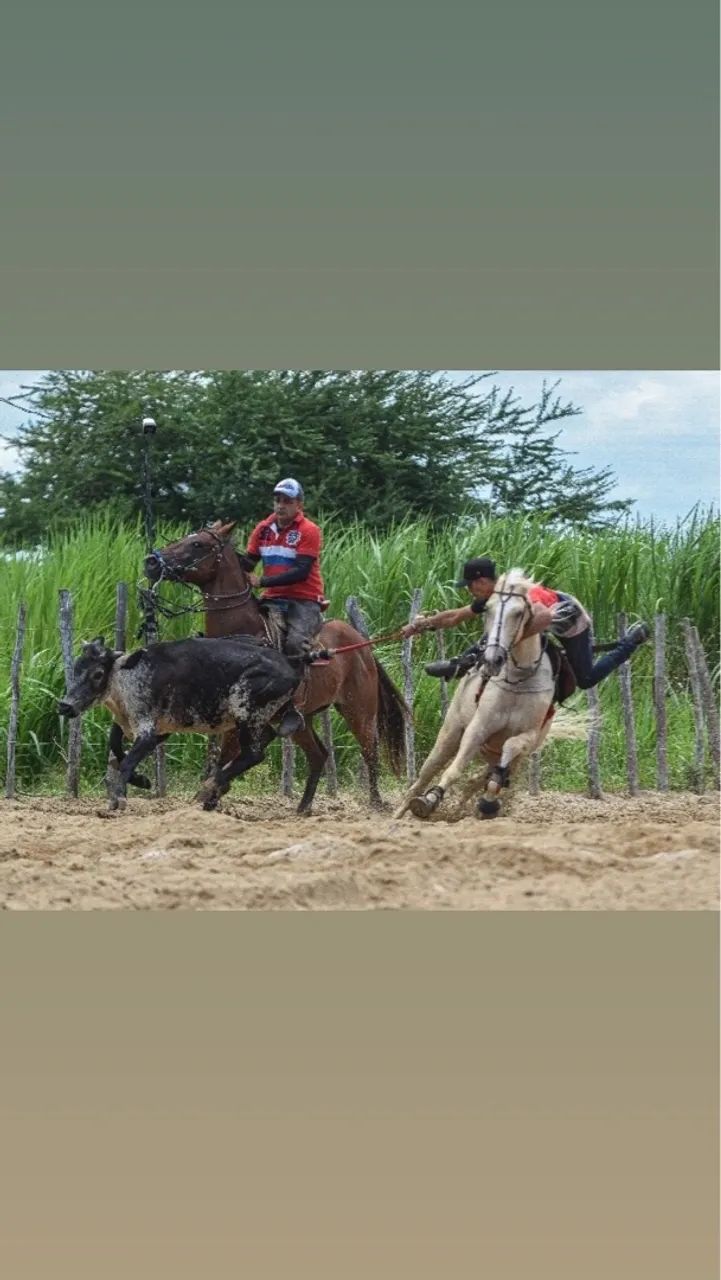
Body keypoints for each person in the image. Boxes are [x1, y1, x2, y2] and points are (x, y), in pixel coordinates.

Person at [402, 555, 650, 690]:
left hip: (568, 619)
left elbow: (543, 617)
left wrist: (510, 641)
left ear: (481, 581)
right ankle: (462, 663)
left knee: (585, 680)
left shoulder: (518, 594)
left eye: (470, 586)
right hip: (537, 622)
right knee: (498, 633)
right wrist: (422, 625)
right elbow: (456, 616)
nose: (469, 591)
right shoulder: (493, 597)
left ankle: (630, 642)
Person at [238, 478, 325, 735]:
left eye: (287, 501)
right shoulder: (263, 529)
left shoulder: (309, 530)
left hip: (303, 599)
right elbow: (249, 561)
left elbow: (301, 571)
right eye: (277, 500)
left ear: (299, 504)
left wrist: (261, 580)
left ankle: (293, 706)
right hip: (271, 597)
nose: (280, 505)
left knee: (295, 643)